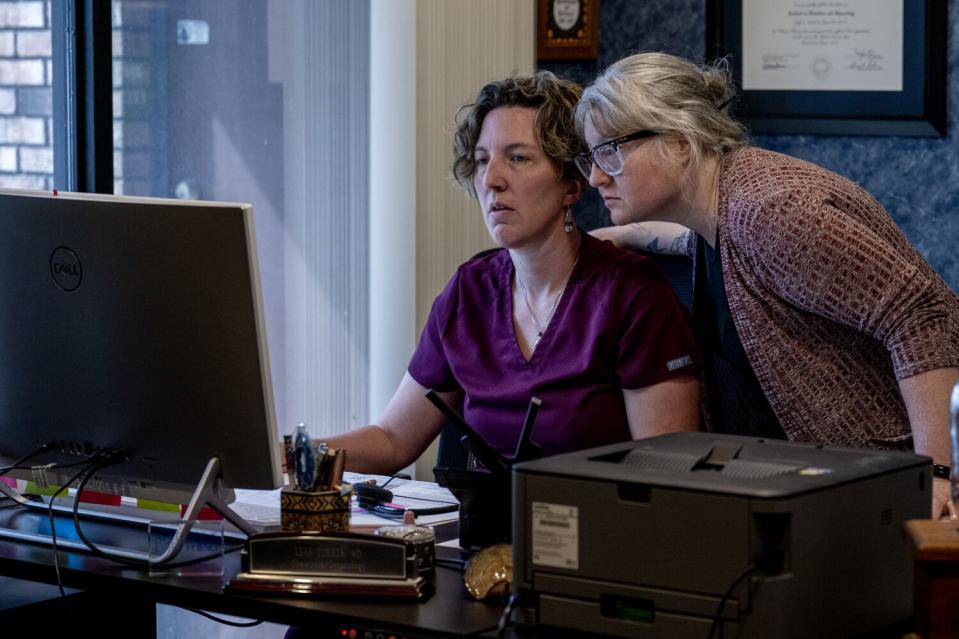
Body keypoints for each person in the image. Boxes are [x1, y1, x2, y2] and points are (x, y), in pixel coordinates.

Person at [574, 51, 959, 518]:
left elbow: (922, 316)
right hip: (833, 491)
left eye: (610, 151)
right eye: (591, 156)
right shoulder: (719, 217)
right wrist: (630, 236)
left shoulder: (772, 211)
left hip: (891, 485)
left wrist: (934, 473)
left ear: (678, 140)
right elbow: (743, 258)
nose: (596, 175)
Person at [319, 71, 701, 476]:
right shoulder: (469, 292)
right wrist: (289, 454)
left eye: (518, 158)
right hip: (488, 535)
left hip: (596, 532)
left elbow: (666, 476)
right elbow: (393, 439)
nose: (491, 179)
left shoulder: (632, 294)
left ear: (572, 183)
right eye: (483, 160)